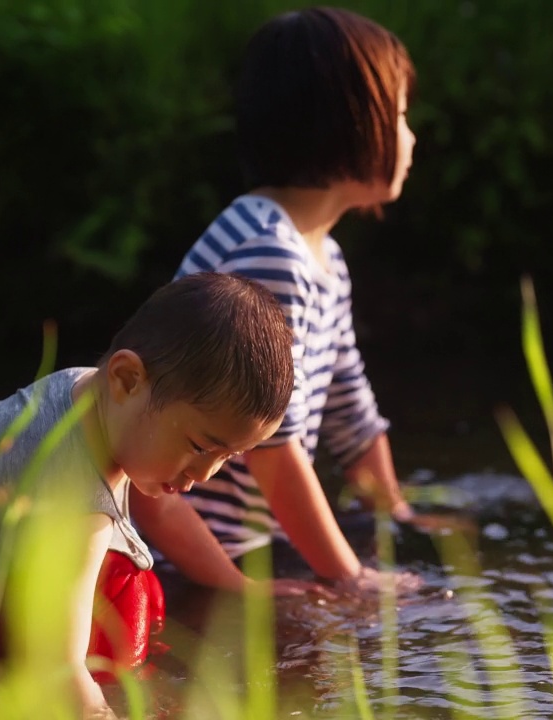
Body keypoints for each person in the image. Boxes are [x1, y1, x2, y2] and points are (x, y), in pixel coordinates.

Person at [0, 272, 295, 719]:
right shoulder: (73, 491)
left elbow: (165, 511)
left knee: (135, 579)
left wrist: (238, 586)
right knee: (121, 594)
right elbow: (59, 669)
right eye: (200, 447)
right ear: (127, 379)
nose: (205, 474)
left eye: (227, 457)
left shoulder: (94, 396)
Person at [131, 6, 430, 595]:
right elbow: (273, 448)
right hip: (196, 547)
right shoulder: (269, 254)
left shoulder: (323, 258)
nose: (412, 136)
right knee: (350, 611)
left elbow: (351, 413)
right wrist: (350, 579)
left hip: (251, 540)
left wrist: (397, 516)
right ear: (351, 124)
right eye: (399, 115)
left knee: (404, 573)